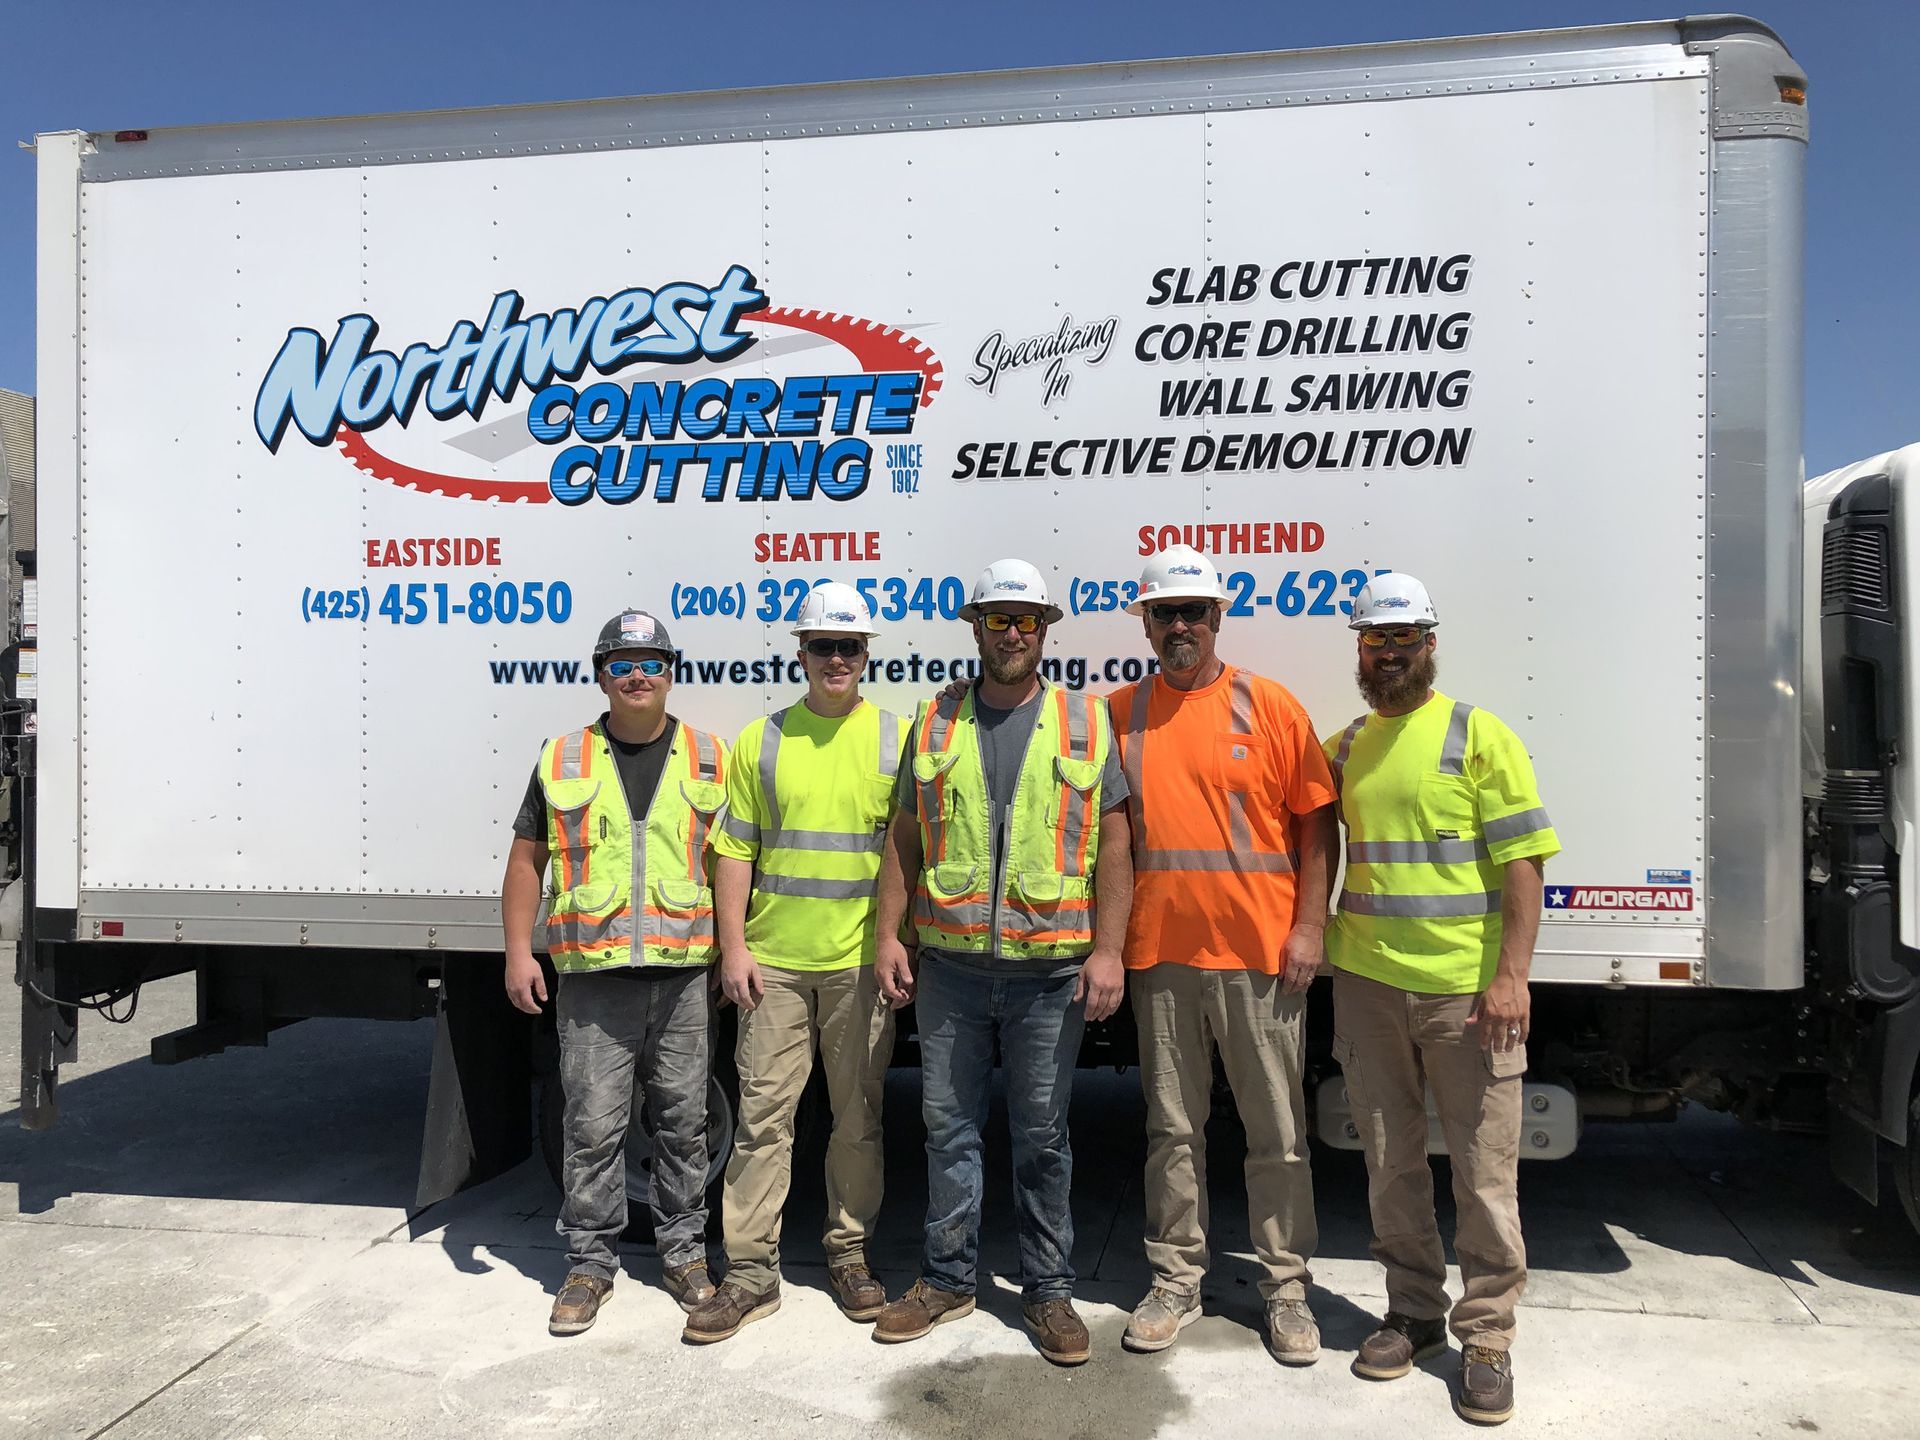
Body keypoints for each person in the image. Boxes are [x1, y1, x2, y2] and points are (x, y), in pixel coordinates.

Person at [869, 558, 1133, 1366]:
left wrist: (1110, 951)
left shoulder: (1085, 722)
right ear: (976, 628)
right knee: (947, 1131)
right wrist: (889, 935)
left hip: (1049, 973)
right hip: (950, 969)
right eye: (998, 620)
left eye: (1026, 621)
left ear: (1045, 630)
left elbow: (1116, 844)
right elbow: (905, 836)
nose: (1012, 634)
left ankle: (1048, 1292)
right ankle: (948, 1280)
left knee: (1042, 1138)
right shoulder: (935, 720)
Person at [1323, 574, 1559, 1426]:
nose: (1389, 653)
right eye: (1375, 639)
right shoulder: (1346, 747)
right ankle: (1414, 1313)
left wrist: (1512, 977)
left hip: (1467, 995)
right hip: (1368, 985)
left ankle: (1487, 1337)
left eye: (1404, 638)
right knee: (1390, 1163)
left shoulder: (1478, 734)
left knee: (1483, 1173)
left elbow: (1525, 862)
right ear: (1359, 650)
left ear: (1430, 643)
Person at [1106, 545, 1337, 1364]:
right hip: (1161, 956)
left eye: (1193, 611)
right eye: (1164, 612)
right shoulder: (1120, 713)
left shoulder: (1268, 706)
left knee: (1277, 1133)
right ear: (1145, 623)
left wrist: (1310, 928)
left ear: (1217, 617)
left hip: (1259, 958)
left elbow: (1316, 824)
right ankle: (1176, 1281)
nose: (1180, 625)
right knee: (1173, 1131)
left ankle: (1286, 1289)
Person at [684, 582, 907, 1343]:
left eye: (848, 646)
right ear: (801, 654)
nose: (835, 659)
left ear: (865, 654)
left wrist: (893, 942)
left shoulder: (896, 739)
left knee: (858, 1120)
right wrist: (734, 948)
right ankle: (750, 1274)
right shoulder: (763, 739)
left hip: (858, 966)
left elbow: (904, 852)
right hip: (773, 965)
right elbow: (734, 850)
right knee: (761, 1123)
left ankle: (849, 1255)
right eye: (822, 646)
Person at [501, 609, 728, 1337]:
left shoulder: (709, 757)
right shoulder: (563, 757)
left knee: (684, 1126)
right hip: (594, 981)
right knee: (593, 1128)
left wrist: (734, 949)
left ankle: (684, 1256)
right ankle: (588, 1267)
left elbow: (732, 863)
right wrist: (517, 952)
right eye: (621, 663)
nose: (637, 675)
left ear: (671, 672)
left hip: (683, 978)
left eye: (651, 662)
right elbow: (526, 861)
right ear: (600, 675)